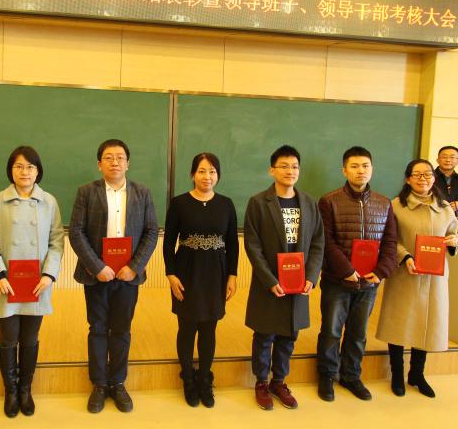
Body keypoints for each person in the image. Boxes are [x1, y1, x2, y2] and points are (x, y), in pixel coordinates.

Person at [69, 139, 159, 414]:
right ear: (99, 164)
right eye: (108, 157)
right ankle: (99, 384)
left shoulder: (142, 193)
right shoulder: (87, 192)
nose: (115, 162)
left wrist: (134, 266)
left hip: (128, 275)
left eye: (120, 157)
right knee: (97, 328)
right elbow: (76, 232)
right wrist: (97, 266)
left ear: (127, 163)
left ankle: (118, 383)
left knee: (121, 329)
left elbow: (151, 231)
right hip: (97, 275)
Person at [0, 146, 64, 418]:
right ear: (11, 170)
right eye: (18, 166)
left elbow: (57, 241)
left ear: (38, 171)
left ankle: (25, 389)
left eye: (30, 166)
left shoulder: (49, 202)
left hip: (38, 284)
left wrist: (49, 275)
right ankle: (10, 390)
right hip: (6, 283)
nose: (24, 171)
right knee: (8, 338)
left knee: (29, 338)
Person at [243, 145, 324, 411]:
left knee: (289, 335)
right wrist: (269, 280)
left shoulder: (309, 203)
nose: (290, 171)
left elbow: (318, 243)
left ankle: (279, 382)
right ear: (272, 170)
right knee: (264, 334)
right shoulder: (258, 203)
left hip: (298, 283)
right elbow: (253, 246)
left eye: (295, 166)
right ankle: (261, 383)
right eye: (284, 166)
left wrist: (311, 276)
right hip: (269, 283)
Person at [317, 145, 397, 402]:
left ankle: (351, 376)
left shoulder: (384, 203)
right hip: (337, 281)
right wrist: (347, 270)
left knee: (358, 333)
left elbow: (390, 242)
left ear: (372, 169)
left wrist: (381, 272)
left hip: (369, 283)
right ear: (344, 170)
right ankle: (327, 375)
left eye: (365, 166)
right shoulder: (329, 201)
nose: (360, 171)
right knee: (331, 331)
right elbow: (326, 241)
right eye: (354, 166)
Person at [376, 159, 458, 398]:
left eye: (428, 174)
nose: (423, 179)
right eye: (417, 174)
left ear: (434, 178)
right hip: (405, 273)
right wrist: (405, 257)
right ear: (408, 179)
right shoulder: (396, 206)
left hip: (434, 278)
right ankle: (397, 375)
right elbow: (390, 239)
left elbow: (453, 233)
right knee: (399, 323)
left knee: (426, 323)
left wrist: (454, 241)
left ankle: (417, 374)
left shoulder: (444, 207)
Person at [164, 152, 239, 408]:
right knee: (187, 328)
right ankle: (187, 378)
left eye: (212, 171)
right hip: (186, 271)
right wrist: (171, 274)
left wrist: (232, 275)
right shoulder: (179, 203)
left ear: (218, 175)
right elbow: (168, 243)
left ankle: (205, 378)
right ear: (192, 174)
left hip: (216, 273)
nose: (207, 176)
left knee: (209, 328)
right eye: (202, 171)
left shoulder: (226, 204)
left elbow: (232, 244)